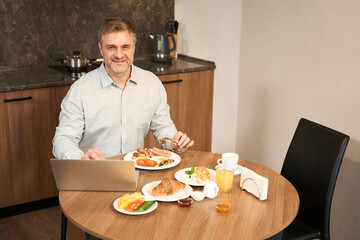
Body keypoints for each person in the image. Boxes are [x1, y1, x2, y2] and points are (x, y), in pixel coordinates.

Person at [53, 17, 194, 161]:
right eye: (111, 47)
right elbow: (63, 139)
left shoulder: (152, 83)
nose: (119, 55)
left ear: (134, 47)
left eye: (125, 47)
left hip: (136, 171)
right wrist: (81, 158)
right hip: (95, 173)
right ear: (101, 49)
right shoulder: (80, 90)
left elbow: (163, 129)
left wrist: (174, 142)